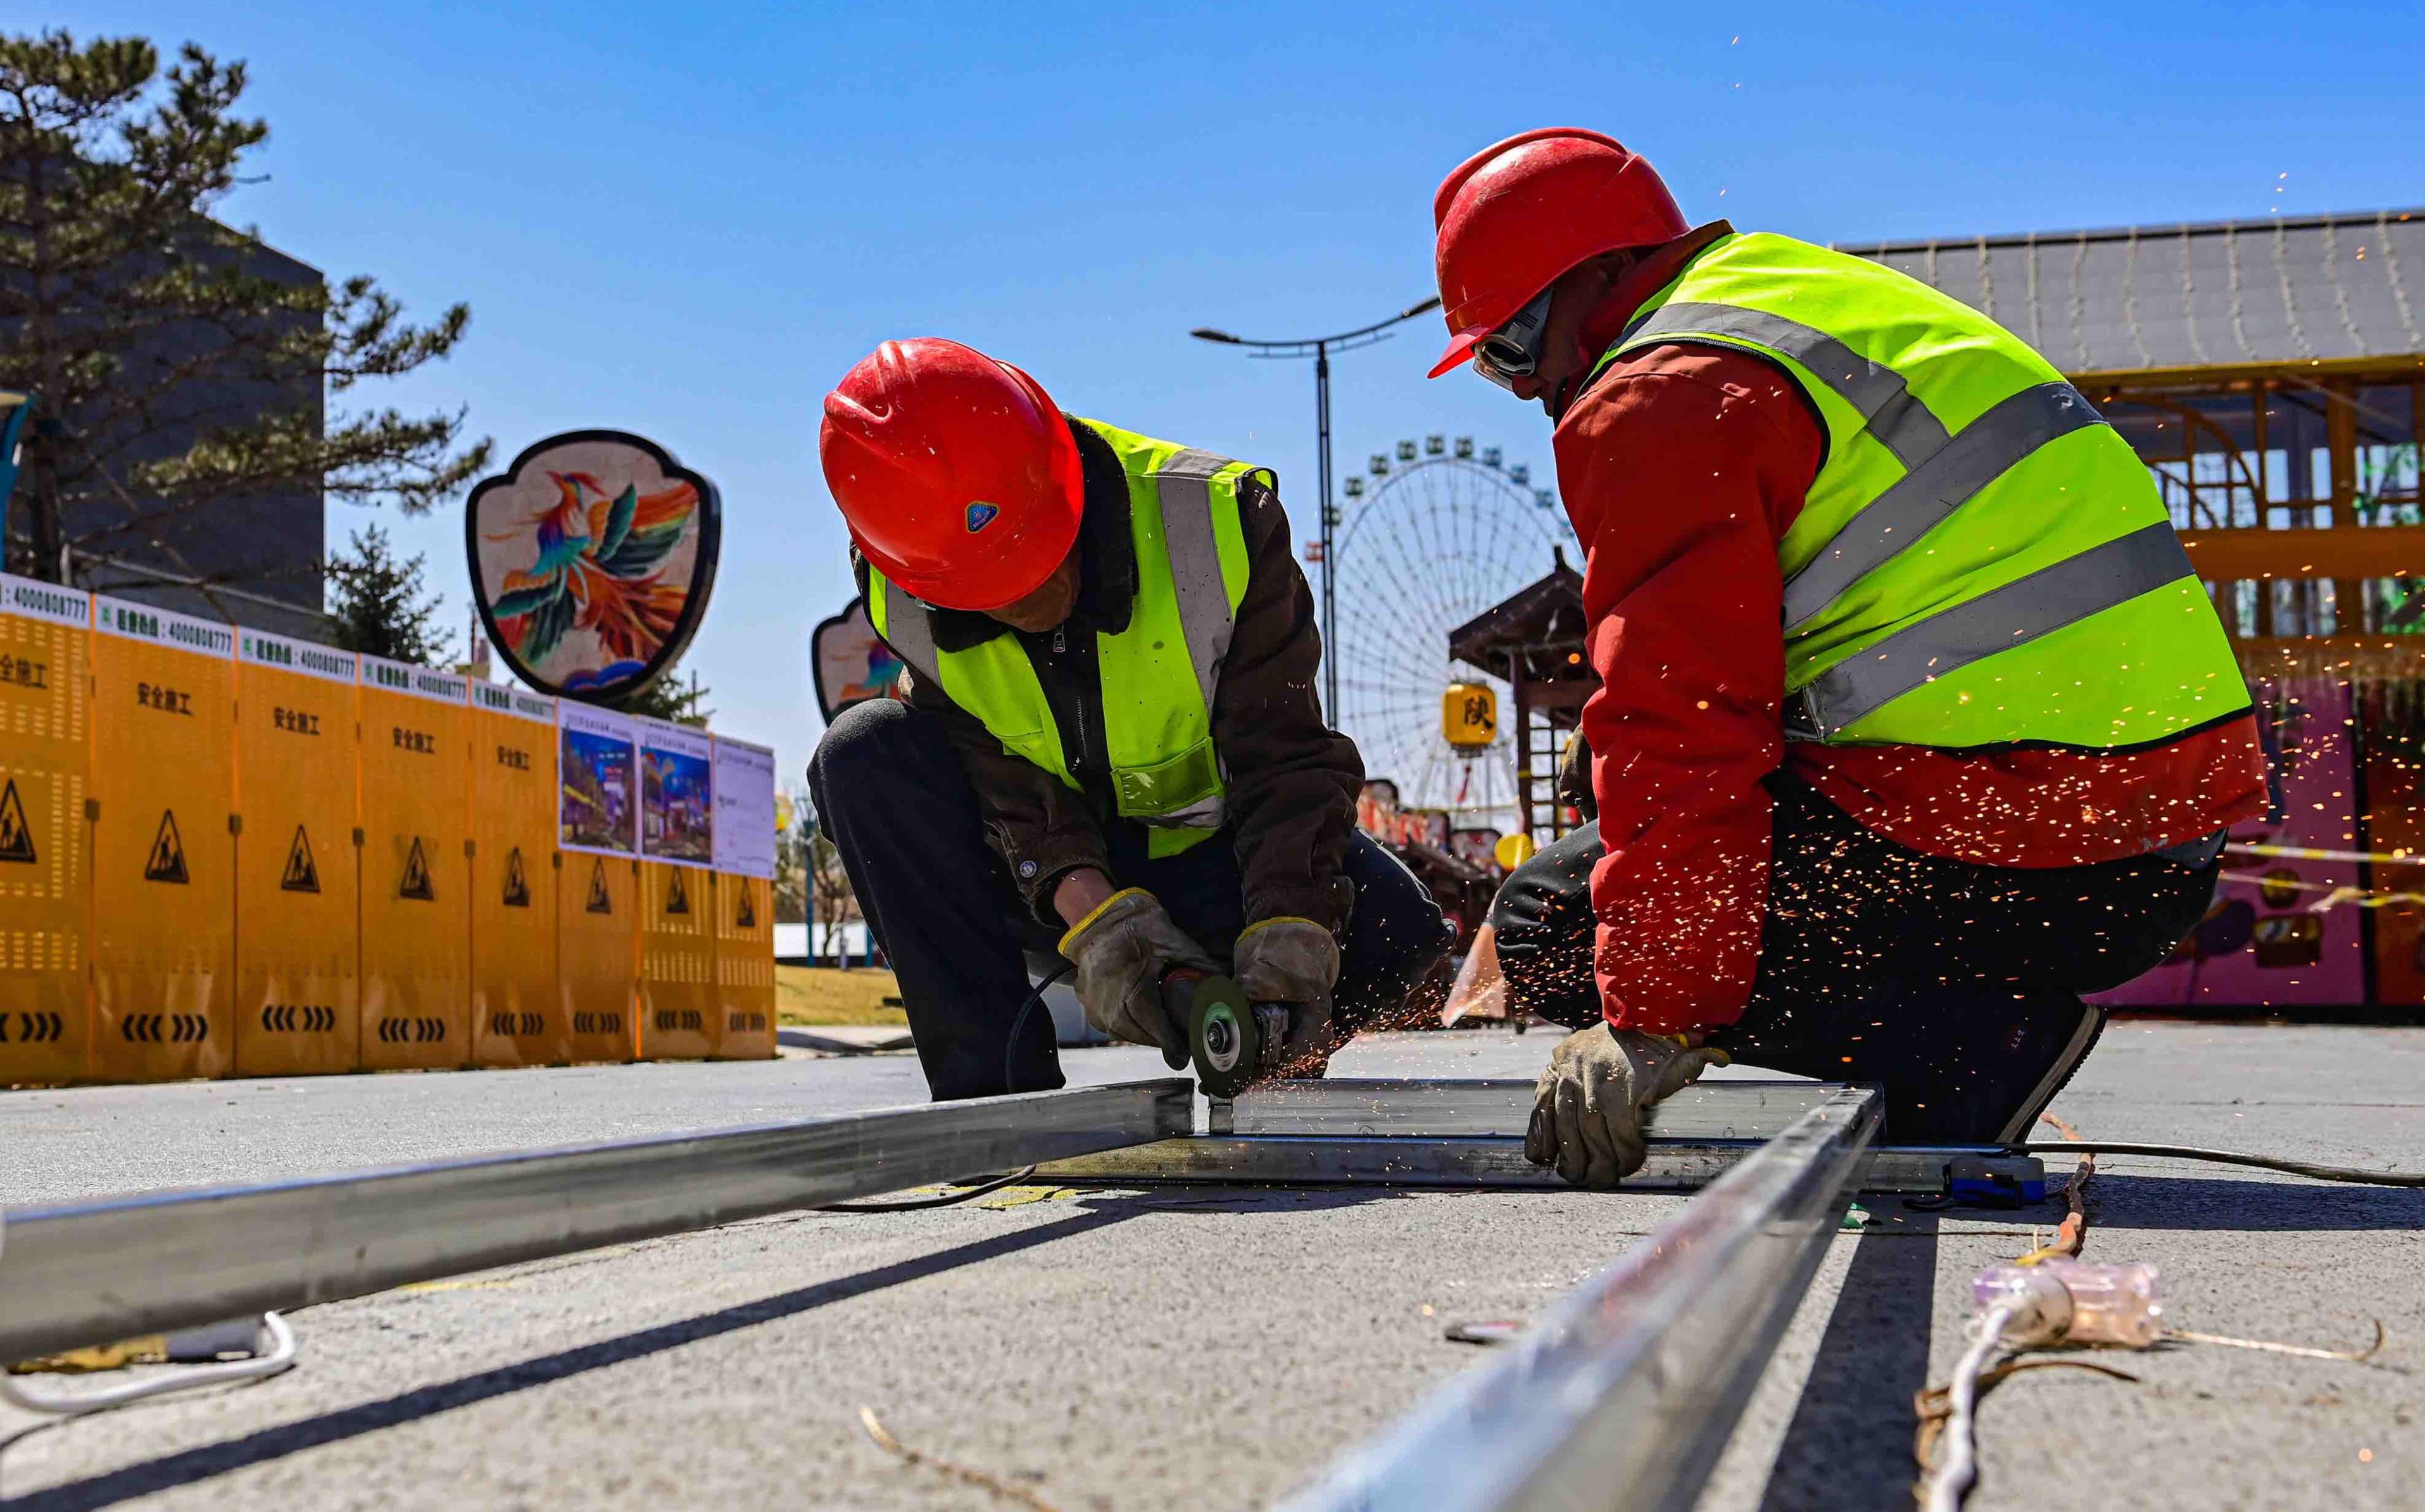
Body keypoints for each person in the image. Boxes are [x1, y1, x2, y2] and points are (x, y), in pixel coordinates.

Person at [1425, 129, 2267, 1186]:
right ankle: (1959, 1031)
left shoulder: (1660, 388)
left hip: (2037, 836)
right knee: (1597, 815)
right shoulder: (1789, 299)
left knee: (1553, 918)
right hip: (2146, 839)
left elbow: (1682, 729)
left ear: (1584, 284)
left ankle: (1961, 1049)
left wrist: (1652, 1016)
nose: (1522, 389)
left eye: (1508, 351)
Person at [811, 337, 1448, 1098]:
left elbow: (1283, 760)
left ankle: (1270, 1063)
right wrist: (1100, 920)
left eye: (1045, 550)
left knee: (1397, 936)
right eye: (999, 585)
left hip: (1220, 863)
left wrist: (1289, 929)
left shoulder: (1217, 524)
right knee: (862, 756)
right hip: (1050, 882)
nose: (1037, 594)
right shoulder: (901, 587)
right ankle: (997, 1103)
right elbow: (999, 780)